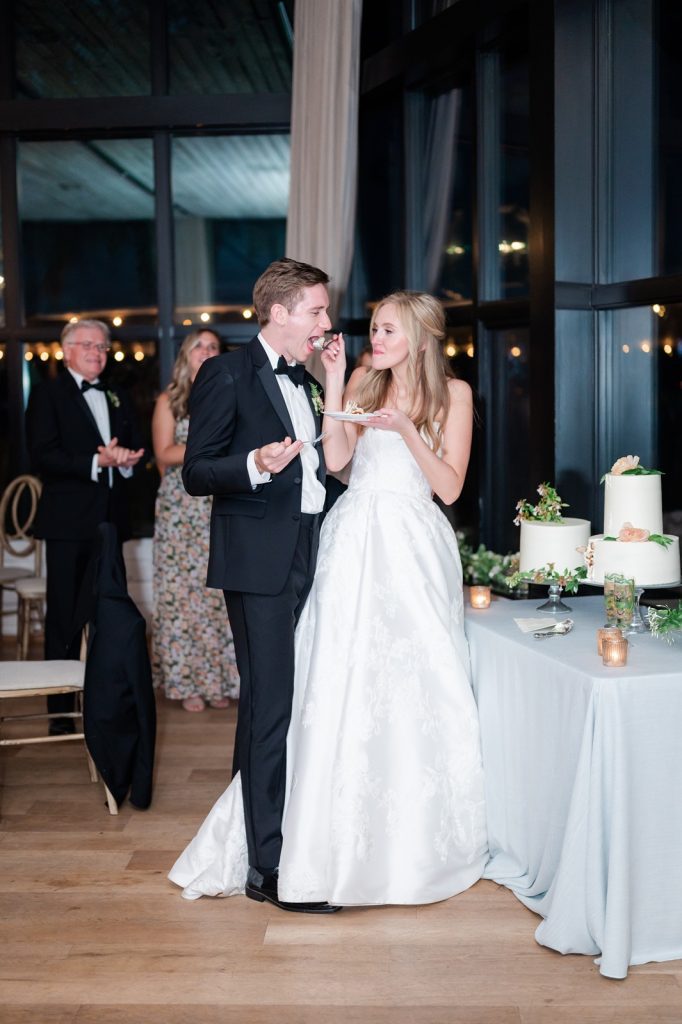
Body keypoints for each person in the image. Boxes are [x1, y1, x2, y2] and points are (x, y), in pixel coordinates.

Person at [169, 290, 488, 907]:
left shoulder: (455, 395)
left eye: (387, 330)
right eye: (374, 328)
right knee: (332, 681)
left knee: (416, 684)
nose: (375, 338)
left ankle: (415, 839)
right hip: (352, 541)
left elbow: (448, 487)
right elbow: (338, 461)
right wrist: (339, 380)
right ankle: (310, 839)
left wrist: (406, 432)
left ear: (421, 337)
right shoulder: (364, 380)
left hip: (413, 546)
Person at [178, 257, 338, 914]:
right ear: (279, 313)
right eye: (317, 311)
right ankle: (268, 869)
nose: (326, 323)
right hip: (259, 563)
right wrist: (253, 463)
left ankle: (261, 844)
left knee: (279, 708)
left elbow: (326, 472)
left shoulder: (311, 377)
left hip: (314, 552)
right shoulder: (227, 372)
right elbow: (195, 471)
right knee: (270, 709)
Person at [26, 319, 144, 734]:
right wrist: (97, 463)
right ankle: (60, 712)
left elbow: (132, 446)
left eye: (103, 347)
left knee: (109, 614)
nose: (98, 352)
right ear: (68, 350)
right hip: (67, 523)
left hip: (110, 521)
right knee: (63, 618)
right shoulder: (47, 394)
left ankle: (107, 702)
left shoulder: (116, 394)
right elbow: (42, 455)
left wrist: (127, 461)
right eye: (90, 345)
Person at [151, 329, 239, 712]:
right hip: (180, 509)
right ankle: (186, 683)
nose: (206, 351)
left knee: (217, 596)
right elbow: (164, 452)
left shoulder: (227, 393)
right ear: (186, 355)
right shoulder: (169, 400)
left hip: (218, 503)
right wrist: (208, 449)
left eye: (213, 347)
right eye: (199, 346)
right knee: (181, 596)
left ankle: (217, 681)